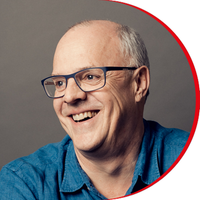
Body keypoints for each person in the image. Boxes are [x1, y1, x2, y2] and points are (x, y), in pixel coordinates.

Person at [0, 20, 189, 200]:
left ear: (139, 83)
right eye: (60, 83)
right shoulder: (24, 185)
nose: (70, 96)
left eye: (90, 77)